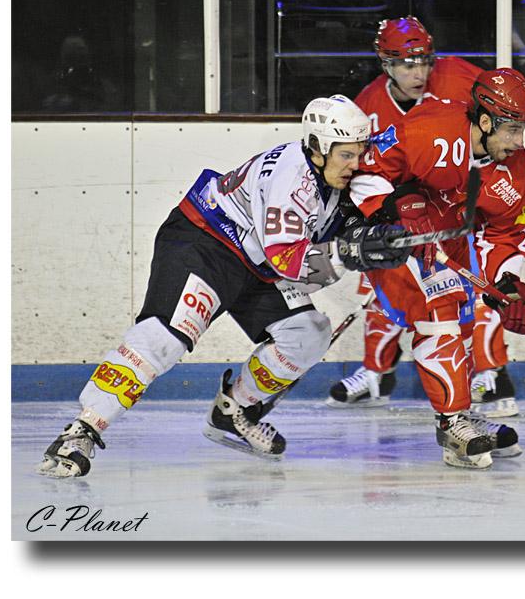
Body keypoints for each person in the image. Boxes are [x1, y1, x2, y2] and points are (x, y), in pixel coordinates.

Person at [38, 95, 414, 478]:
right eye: (346, 156)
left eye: (359, 153)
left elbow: (394, 158)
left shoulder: (337, 170)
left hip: (257, 261)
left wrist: (374, 234)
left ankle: (234, 411)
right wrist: (349, 252)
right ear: (317, 146)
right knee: (166, 337)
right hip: (207, 243)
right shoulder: (293, 180)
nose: (355, 164)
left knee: (308, 333)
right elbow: (289, 260)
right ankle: (82, 429)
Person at [349, 67, 525, 469]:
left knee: (466, 318)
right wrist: (396, 205)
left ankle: (463, 412)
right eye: (511, 130)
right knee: (439, 311)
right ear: (485, 120)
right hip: (394, 237)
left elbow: (512, 230)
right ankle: (452, 422)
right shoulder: (431, 127)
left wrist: (505, 284)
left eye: (524, 129)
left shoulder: (516, 170)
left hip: (446, 243)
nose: (518, 141)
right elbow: (366, 168)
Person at [327, 16, 520, 418]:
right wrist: (382, 211)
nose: (419, 73)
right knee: (379, 284)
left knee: (475, 282)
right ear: (385, 63)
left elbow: (503, 118)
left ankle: (490, 375)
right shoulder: (369, 104)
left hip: (461, 201)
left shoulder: (458, 76)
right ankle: (376, 373)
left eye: (424, 61)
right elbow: (363, 167)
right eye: (407, 64)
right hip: (404, 210)